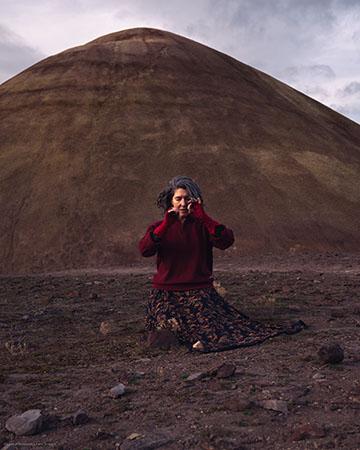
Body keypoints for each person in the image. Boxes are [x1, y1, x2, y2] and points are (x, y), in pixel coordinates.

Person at [138, 176, 304, 352]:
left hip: (199, 291)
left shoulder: (203, 225)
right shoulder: (158, 227)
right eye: (178, 198)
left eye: (187, 198)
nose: (183, 203)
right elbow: (145, 250)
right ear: (171, 201)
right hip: (166, 293)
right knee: (170, 325)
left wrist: (204, 218)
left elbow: (226, 241)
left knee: (213, 328)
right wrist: (165, 225)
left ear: (195, 201)